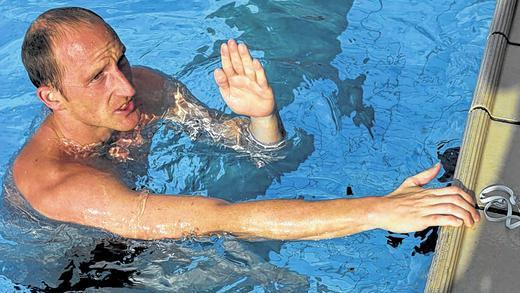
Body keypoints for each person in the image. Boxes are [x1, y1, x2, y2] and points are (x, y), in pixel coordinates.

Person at [12, 7, 479, 240]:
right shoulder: (66, 184)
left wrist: (262, 116)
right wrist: (377, 211)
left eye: (121, 60)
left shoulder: (146, 89)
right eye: (98, 77)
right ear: (51, 97)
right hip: (87, 268)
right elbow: (220, 218)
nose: (126, 86)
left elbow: (260, 152)